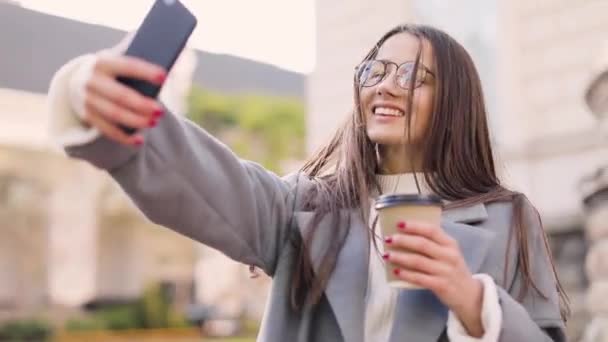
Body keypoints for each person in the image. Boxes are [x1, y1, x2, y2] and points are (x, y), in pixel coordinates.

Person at [48, 24, 568, 341]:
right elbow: (202, 181)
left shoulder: (508, 218)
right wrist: (89, 95)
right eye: (374, 71)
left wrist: (473, 303)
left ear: (454, 101)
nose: (385, 85)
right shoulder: (306, 208)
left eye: (411, 76)